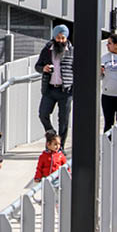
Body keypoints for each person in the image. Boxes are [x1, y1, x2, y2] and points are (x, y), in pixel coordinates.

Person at [35, 24, 73, 153]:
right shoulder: (47, 50)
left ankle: (59, 147)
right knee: (43, 114)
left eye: (63, 38)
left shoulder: (72, 51)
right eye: (58, 37)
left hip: (66, 91)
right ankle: (52, 135)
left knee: (64, 120)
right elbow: (37, 66)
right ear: (54, 37)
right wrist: (43, 68)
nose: (60, 40)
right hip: (49, 89)